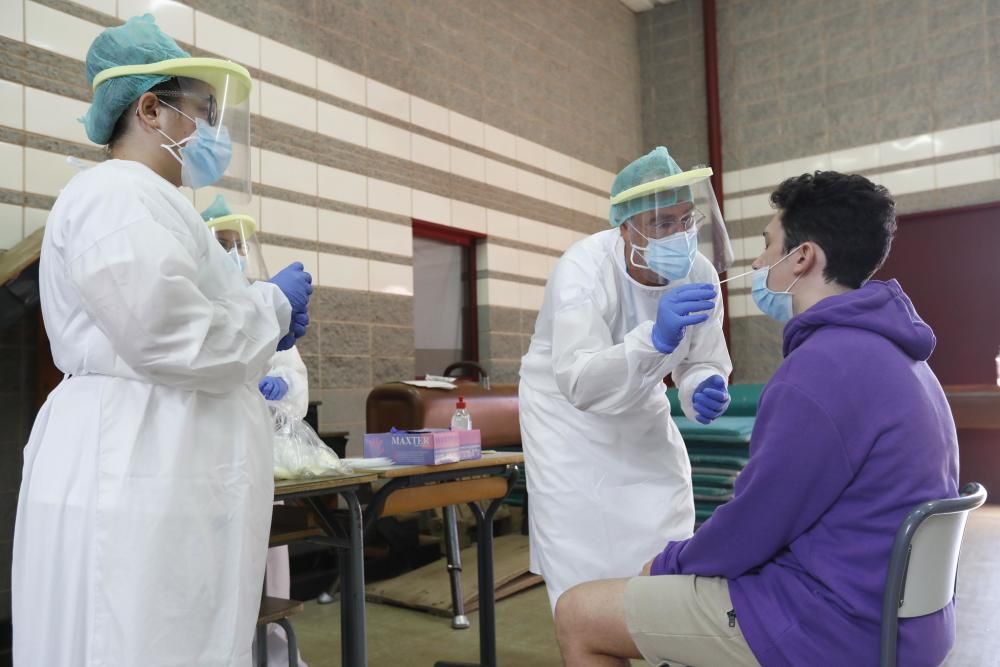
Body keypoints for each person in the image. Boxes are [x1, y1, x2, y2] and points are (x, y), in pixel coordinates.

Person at [554, 171, 960, 667]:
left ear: (803, 257)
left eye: (768, 244)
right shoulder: (905, 359)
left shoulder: (818, 370)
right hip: (905, 620)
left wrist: (665, 564)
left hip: (833, 624)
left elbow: (755, 525)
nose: (756, 261)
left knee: (579, 613)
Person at [12, 15, 313, 666]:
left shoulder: (152, 201)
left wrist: (261, 318)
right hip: (134, 461)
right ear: (149, 108)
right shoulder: (114, 194)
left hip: (161, 461)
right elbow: (167, 331)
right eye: (197, 112)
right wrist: (270, 306)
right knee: (135, 637)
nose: (206, 130)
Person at [518, 146, 734, 611]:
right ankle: (590, 638)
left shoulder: (697, 271)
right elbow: (580, 381)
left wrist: (703, 385)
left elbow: (703, 358)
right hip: (566, 421)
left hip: (640, 404)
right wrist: (653, 338)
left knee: (667, 528)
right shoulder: (582, 269)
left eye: (686, 220)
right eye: (662, 224)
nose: (679, 235)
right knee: (581, 557)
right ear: (626, 227)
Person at [202, 195, 309, 667]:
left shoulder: (262, 303)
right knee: (218, 576)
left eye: (237, 245)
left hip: (263, 459)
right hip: (210, 465)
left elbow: (297, 386)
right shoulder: (205, 302)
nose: (234, 254)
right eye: (221, 244)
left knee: (270, 563)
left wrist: (281, 384)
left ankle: (275, 653)